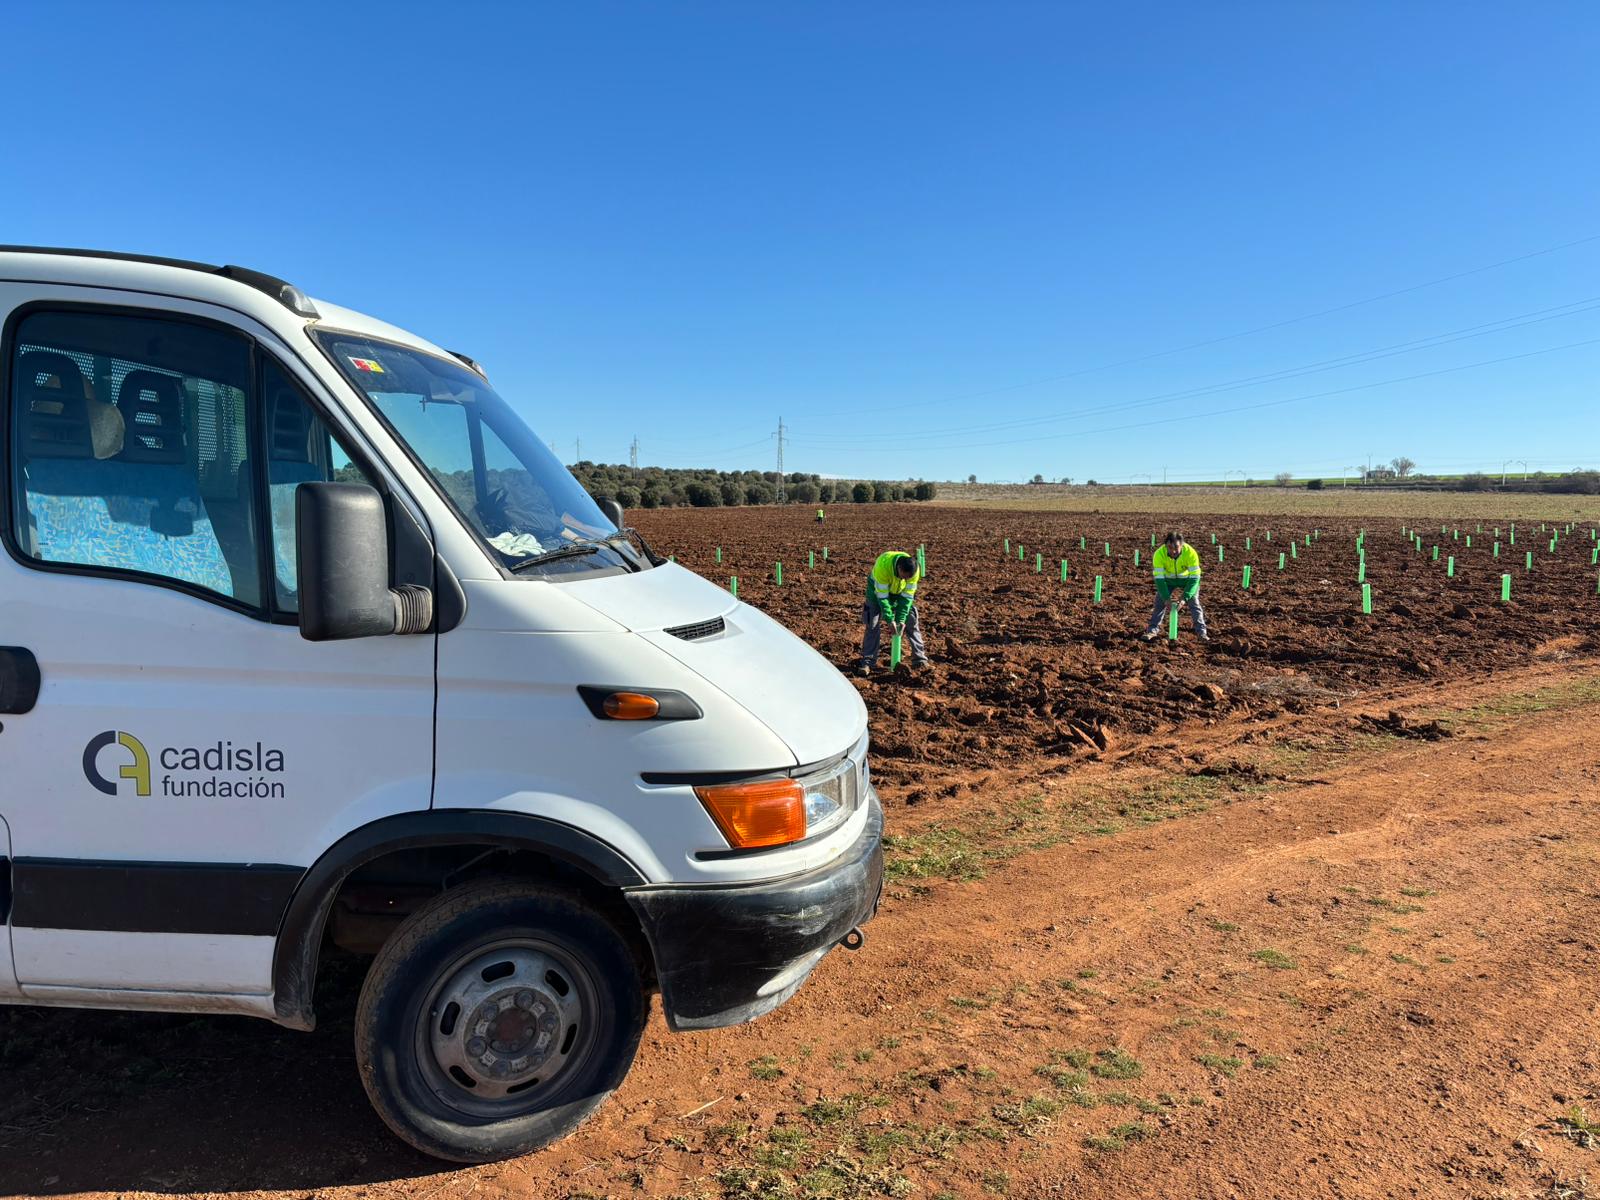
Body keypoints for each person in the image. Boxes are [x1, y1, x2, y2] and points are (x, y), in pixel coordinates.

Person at [858, 550, 928, 674]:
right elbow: (882, 598)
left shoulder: (914, 571)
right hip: (876, 593)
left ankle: (919, 659)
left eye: (908, 578)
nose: (905, 579)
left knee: (911, 620)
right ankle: (867, 662)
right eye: (903, 576)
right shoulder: (883, 567)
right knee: (872, 624)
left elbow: (907, 598)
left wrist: (900, 619)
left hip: (899, 593)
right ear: (899, 568)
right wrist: (890, 620)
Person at [1141, 531, 1209, 642]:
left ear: (1182, 545)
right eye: (1169, 547)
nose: (1173, 551)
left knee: (1194, 602)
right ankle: (1152, 631)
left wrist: (1184, 599)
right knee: (1159, 603)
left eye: (1176, 547)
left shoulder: (1190, 553)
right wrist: (1166, 599)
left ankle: (1202, 633)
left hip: (1187, 580)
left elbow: (1195, 578)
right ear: (1165, 546)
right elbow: (1159, 579)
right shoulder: (1159, 555)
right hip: (1168, 581)